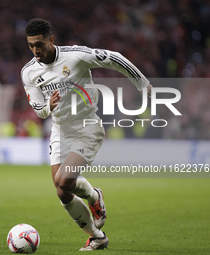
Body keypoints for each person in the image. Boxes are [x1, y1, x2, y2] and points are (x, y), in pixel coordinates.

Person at [21, 18, 152, 251]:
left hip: (87, 127)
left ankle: (94, 197)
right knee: (62, 191)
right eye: (31, 45)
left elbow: (114, 58)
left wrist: (141, 83)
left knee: (64, 180)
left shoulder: (76, 55)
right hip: (60, 130)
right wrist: (48, 106)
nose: (35, 50)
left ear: (51, 39)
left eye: (39, 43)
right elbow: (40, 112)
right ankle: (97, 237)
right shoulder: (29, 72)